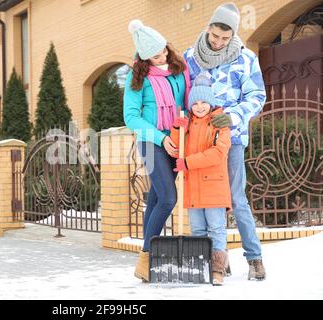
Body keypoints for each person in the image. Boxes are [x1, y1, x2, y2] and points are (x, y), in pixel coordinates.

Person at [183, 2, 267, 280]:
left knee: (236, 199)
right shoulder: (190, 58)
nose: (218, 43)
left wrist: (232, 116)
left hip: (231, 140)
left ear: (232, 35)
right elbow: (184, 97)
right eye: (215, 36)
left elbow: (257, 96)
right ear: (208, 28)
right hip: (198, 143)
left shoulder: (246, 59)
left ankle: (254, 259)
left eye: (225, 38)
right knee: (203, 202)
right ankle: (217, 257)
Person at [123, 19, 190, 282]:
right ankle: (147, 255)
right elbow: (131, 117)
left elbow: (186, 101)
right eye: (154, 55)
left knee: (156, 198)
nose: (161, 56)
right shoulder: (137, 77)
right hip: (152, 142)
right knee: (168, 199)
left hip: (176, 139)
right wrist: (160, 140)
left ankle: (147, 262)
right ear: (143, 57)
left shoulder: (180, 69)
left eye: (162, 50)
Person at [171, 74, 231, 286]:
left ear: (211, 102)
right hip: (192, 188)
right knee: (197, 230)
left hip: (214, 186)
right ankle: (203, 265)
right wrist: (177, 130)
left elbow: (218, 154)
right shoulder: (187, 125)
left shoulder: (219, 124)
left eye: (204, 101)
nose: (199, 106)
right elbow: (176, 150)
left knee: (215, 229)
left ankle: (217, 269)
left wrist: (187, 163)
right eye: (195, 103)